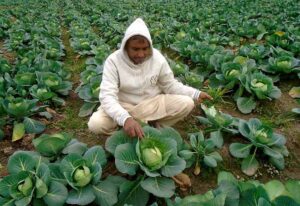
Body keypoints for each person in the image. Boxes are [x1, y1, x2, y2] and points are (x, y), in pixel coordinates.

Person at [88, 18, 212, 138]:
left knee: (187, 103)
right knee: (96, 124)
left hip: (151, 103)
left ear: (150, 46)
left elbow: (170, 85)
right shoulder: (113, 61)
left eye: (145, 48)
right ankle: (127, 131)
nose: (141, 54)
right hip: (123, 105)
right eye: (135, 49)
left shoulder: (157, 58)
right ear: (126, 46)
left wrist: (195, 93)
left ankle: (153, 128)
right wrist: (125, 118)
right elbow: (107, 96)